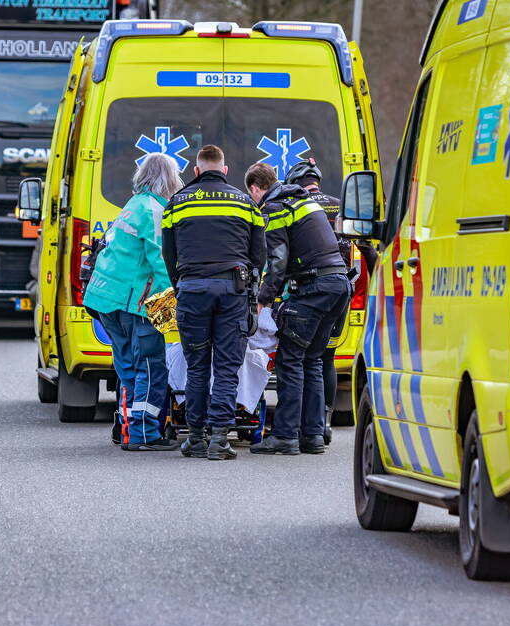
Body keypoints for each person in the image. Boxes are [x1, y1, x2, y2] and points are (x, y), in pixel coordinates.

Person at [161, 145, 266, 460]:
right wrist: (252, 287)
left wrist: (181, 286)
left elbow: (169, 254)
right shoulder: (245, 202)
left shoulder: (176, 204)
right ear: (224, 169)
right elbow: (258, 253)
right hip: (232, 291)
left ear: (196, 171)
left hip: (192, 289)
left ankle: (195, 437)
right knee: (226, 367)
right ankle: (219, 439)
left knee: (196, 367)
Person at [244, 161, 351, 455]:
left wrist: (263, 299)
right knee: (312, 360)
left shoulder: (274, 207)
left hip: (314, 287)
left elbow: (277, 260)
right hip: (338, 285)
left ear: (255, 189)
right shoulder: (301, 200)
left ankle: (285, 436)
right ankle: (313, 435)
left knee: (290, 360)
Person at [83, 152, 182, 451]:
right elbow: (160, 262)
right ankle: (144, 434)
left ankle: (128, 430)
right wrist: (172, 305)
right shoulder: (154, 210)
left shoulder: (132, 205)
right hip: (135, 302)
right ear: (169, 179)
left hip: (106, 298)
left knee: (127, 366)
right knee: (151, 367)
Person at [285, 158, 377, 446]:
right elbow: (363, 248)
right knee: (326, 356)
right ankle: (323, 422)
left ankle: (302, 422)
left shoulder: (297, 206)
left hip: (309, 290)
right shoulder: (341, 206)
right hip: (342, 290)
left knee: (302, 357)